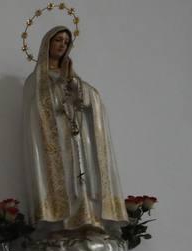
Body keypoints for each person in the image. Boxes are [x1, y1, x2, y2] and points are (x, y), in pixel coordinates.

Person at [24, 25, 127, 233]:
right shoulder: (35, 81)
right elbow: (36, 110)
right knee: (66, 178)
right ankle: (62, 224)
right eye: (58, 40)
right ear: (47, 44)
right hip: (56, 139)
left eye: (65, 41)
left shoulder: (73, 76)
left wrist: (76, 86)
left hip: (78, 135)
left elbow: (92, 101)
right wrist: (58, 89)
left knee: (84, 177)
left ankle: (88, 218)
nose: (62, 45)